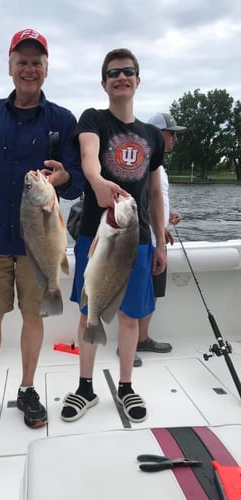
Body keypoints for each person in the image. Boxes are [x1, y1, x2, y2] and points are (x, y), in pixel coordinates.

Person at [0, 28, 84, 435]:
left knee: (33, 318)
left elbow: (74, 184)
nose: (29, 68)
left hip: (39, 244)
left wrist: (62, 179)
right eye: (21, 60)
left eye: (37, 62)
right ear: (9, 66)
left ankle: (26, 389)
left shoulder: (62, 120)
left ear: (46, 69)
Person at [61, 48, 166, 424]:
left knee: (129, 318)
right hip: (96, 235)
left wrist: (158, 240)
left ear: (138, 80)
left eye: (128, 72)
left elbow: (153, 193)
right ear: (104, 83)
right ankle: (85, 388)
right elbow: (89, 156)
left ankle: (125, 387)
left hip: (137, 240)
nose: (121, 77)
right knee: (89, 312)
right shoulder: (93, 119)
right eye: (113, 73)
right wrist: (97, 181)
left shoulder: (153, 135)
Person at [134, 113, 186, 363]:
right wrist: (157, 228)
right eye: (171, 133)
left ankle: (142, 339)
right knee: (138, 292)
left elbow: (156, 200)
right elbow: (138, 202)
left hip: (158, 243)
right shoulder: (144, 164)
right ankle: (128, 344)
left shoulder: (159, 167)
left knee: (152, 292)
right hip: (145, 242)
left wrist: (167, 217)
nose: (175, 137)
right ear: (156, 134)